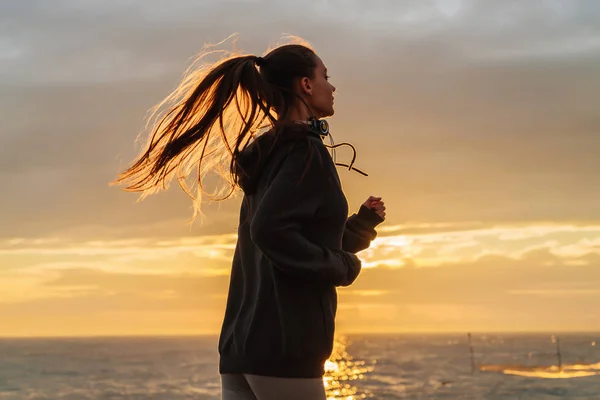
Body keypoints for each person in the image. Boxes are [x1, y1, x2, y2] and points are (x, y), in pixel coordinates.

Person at [114, 39, 386, 400]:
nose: (331, 86)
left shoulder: (270, 154)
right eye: (325, 76)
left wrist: (361, 227)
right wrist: (343, 267)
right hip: (284, 349)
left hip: (241, 349)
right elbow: (270, 231)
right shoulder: (305, 152)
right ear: (305, 84)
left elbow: (291, 240)